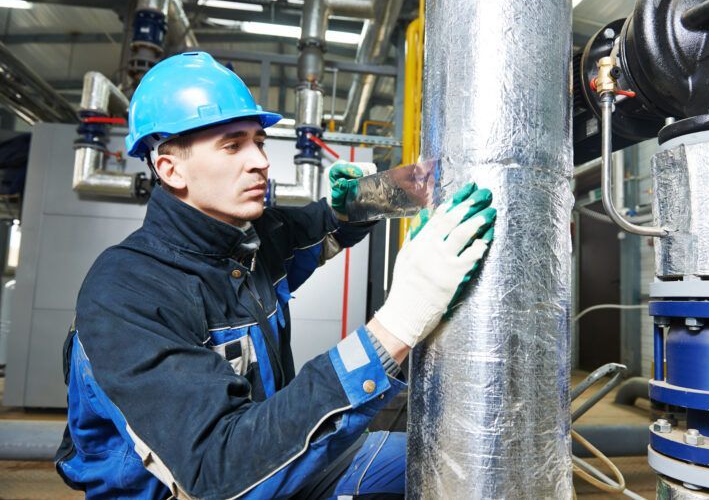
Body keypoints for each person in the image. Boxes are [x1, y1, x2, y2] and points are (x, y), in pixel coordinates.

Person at [55, 51, 496, 499]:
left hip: (279, 461)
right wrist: (401, 321)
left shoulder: (251, 240)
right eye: (232, 145)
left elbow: (323, 226)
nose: (261, 162)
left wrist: (367, 200)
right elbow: (217, 469)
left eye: (259, 142)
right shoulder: (125, 291)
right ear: (171, 169)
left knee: (448, 459)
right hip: (212, 485)